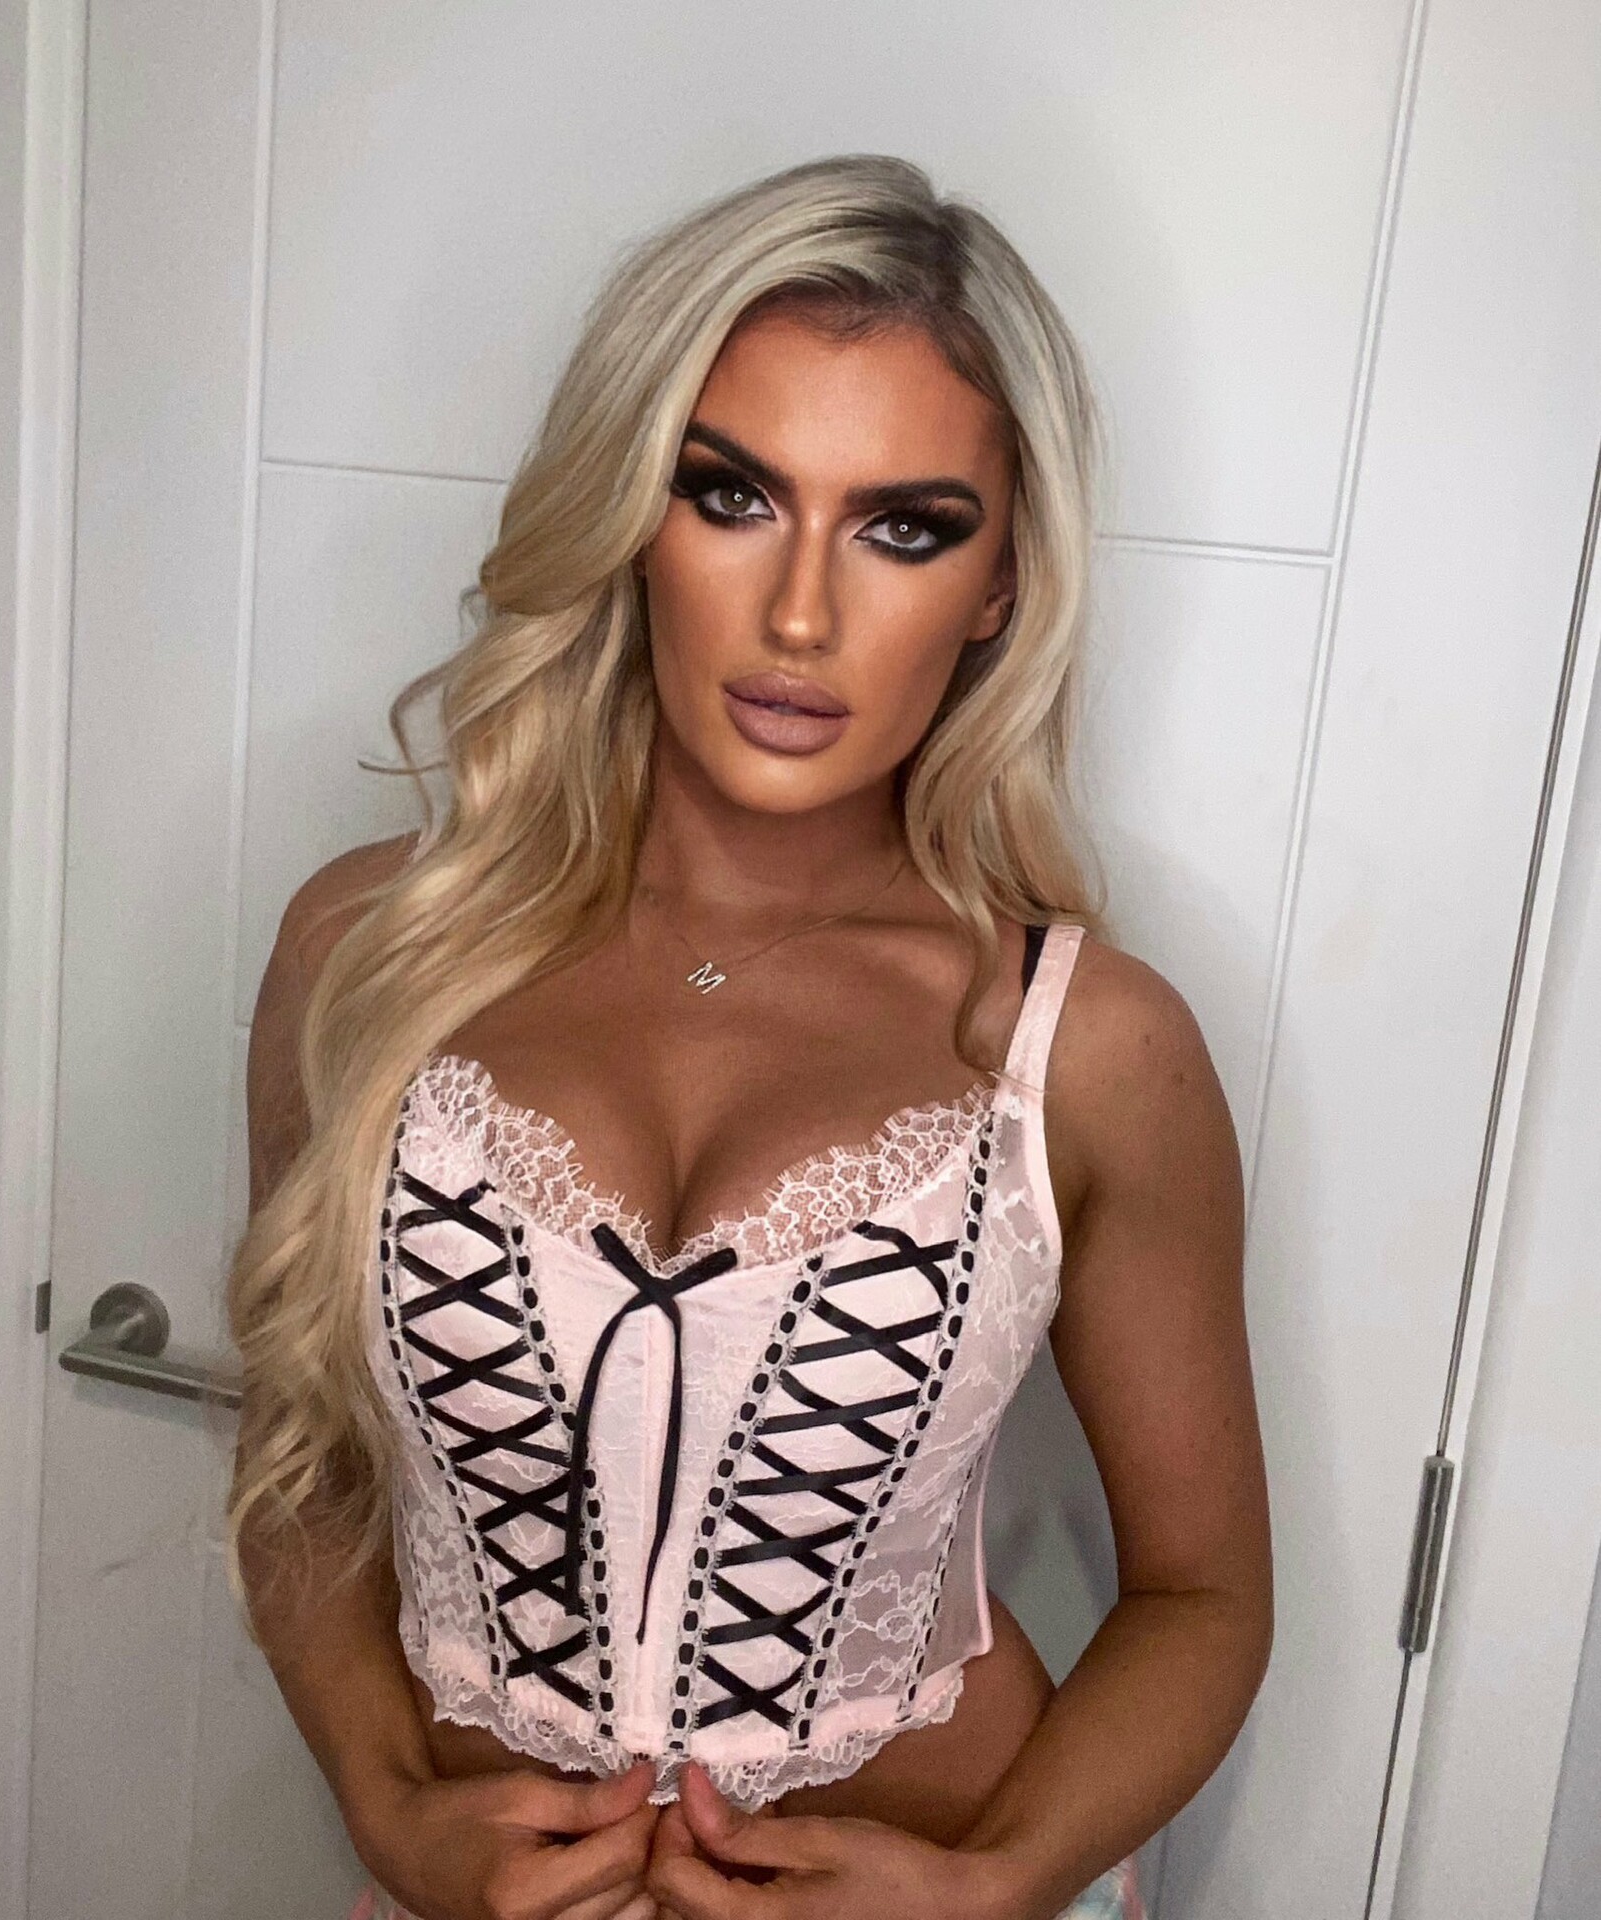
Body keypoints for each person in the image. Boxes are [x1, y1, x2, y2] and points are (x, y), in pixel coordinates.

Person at [228, 153, 1272, 1920]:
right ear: (630, 513)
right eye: (730, 495)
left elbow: (1206, 1595)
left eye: (904, 527)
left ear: (1001, 584)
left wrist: (994, 1887)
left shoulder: (1087, 1050)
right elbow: (304, 1461)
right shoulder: (370, 955)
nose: (801, 615)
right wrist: (387, 1807)